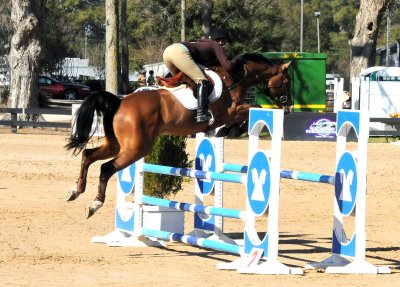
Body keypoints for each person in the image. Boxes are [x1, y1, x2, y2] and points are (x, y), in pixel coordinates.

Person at [163, 28, 243, 123]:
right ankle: (202, 113)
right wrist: (238, 58)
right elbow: (228, 67)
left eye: (224, 41)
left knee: (183, 82)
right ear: (217, 41)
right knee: (202, 80)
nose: (223, 44)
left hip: (168, 52)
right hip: (179, 52)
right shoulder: (216, 45)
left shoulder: (205, 44)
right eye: (222, 41)